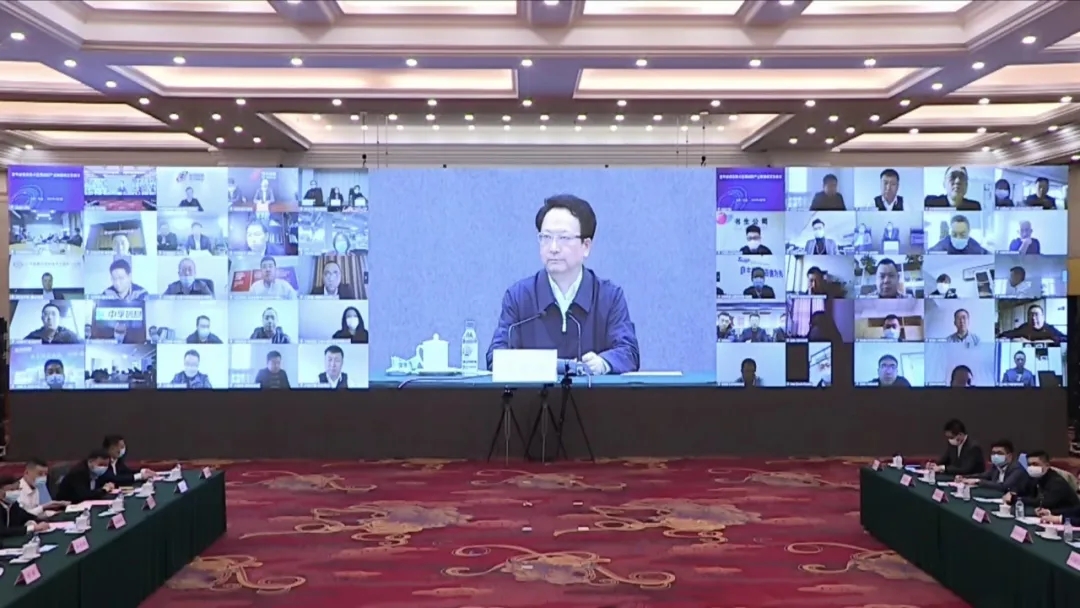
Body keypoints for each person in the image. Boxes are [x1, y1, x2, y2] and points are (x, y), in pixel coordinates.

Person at [485, 195, 640, 375]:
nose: (553, 248)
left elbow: (629, 352)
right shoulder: (520, 296)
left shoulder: (608, 297)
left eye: (564, 238)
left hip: (593, 393)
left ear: (586, 246)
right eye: (546, 237)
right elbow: (496, 357)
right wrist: (555, 366)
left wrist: (603, 363)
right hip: (534, 394)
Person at [1003, 450, 1080, 514]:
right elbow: (1021, 489)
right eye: (1029, 465)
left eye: (1035, 464)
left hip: (1067, 518)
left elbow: (1044, 503)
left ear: (1047, 465)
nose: (1031, 467)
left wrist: (1016, 499)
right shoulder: (1034, 477)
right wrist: (1013, 493)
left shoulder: (1057, 482)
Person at [957, 439, 1029, 494]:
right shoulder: (996, 467)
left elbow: (1004, 486)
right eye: (993, 453)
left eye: (999, 453)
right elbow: (983, 475)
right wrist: (964, 477)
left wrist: (978, 481)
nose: (995, 456)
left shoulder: (1017, 469)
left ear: (1009, 456)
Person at [996, 304, 1066, 343]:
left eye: (1036, 314)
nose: (1033, 318)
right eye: (1030, 315)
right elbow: (1011, 333)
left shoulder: (1049, 329)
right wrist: (1002, 337)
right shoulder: (1025, 327)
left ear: (1042, 316)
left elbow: (1064, 339)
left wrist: (1031, 342)